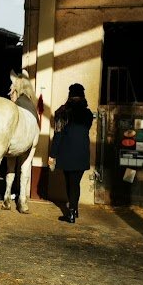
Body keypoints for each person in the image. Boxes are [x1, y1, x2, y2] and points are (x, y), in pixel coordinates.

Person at [48, 83, 93, 223]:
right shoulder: (88, 114)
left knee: (70, 183)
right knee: (76, 183)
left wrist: (52, 155)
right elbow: (86, 129)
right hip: (82, 152)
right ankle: (75, 209)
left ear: (70, 95)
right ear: (83, 96)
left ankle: (71, 213)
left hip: (67, 153)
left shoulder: (62, 112)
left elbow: (58, 135)